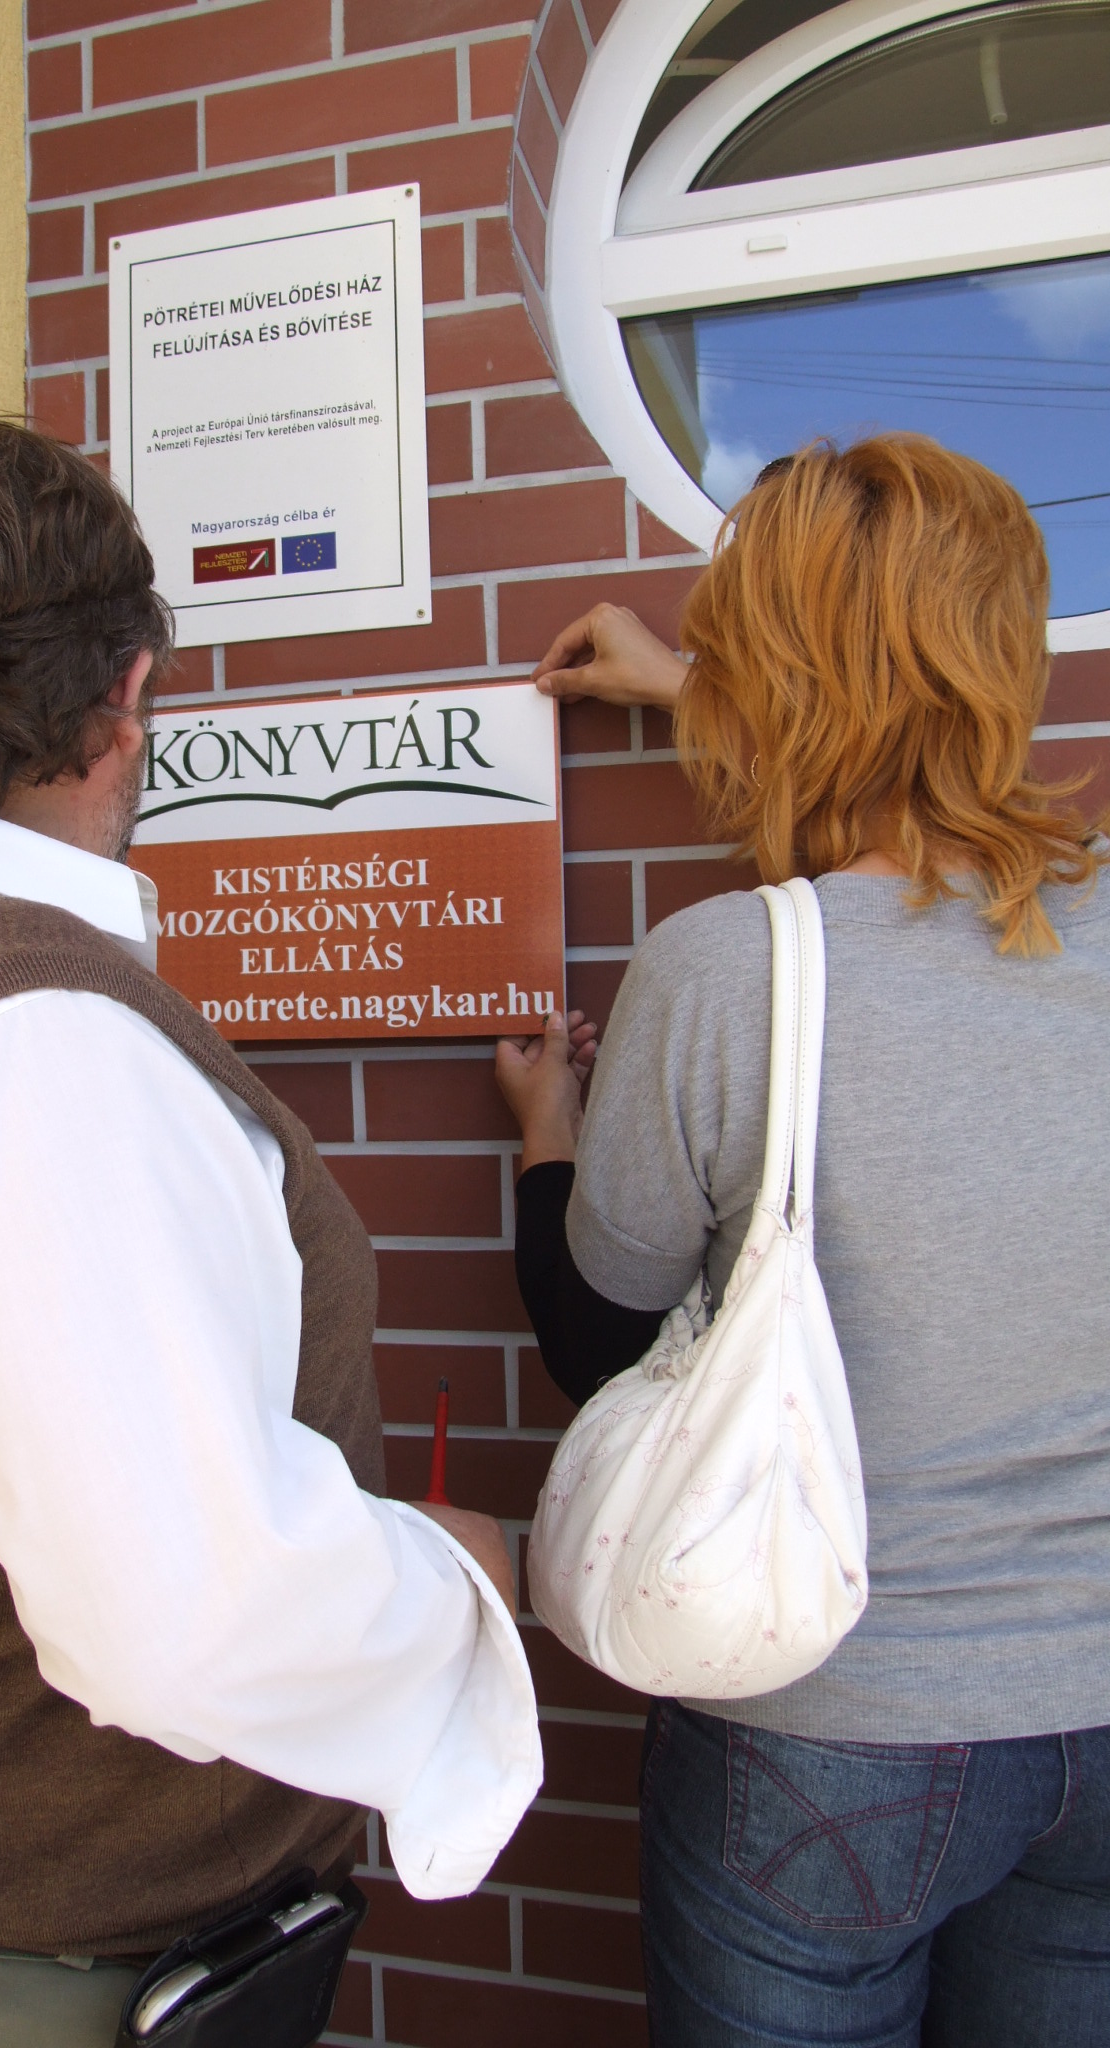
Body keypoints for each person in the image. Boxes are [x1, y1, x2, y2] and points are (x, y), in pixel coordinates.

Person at [0, 414, 540, 2048]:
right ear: (121, 694)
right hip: (18, 1976)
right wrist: (461, 1576)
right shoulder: (22, 1039)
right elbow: (188, 1616)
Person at [496, 435, 1110, 2048]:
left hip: (832, 1729)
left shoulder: (731, 971)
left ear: (768, 679)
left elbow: (597, 1345)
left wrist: (548, 1134)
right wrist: (684, 680)